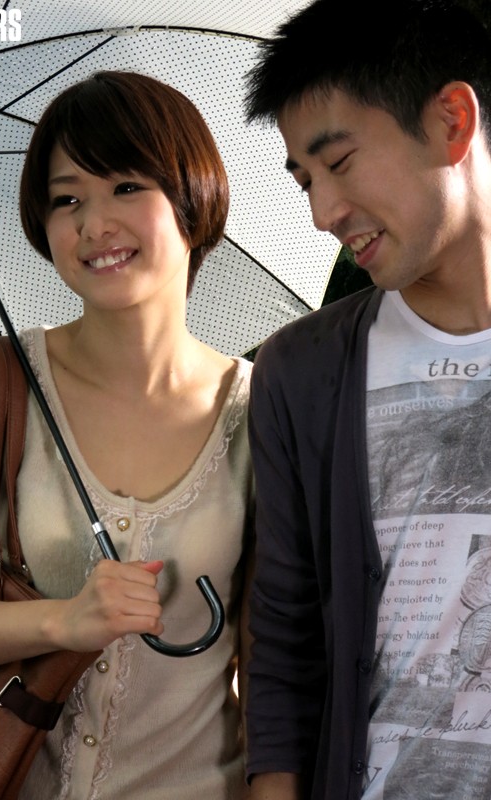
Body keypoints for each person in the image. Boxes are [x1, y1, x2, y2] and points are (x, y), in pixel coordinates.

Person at [0, 71, 253, 799]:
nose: (93, 225)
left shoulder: (261, 409)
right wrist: (63, 620)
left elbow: (276, 656)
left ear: (193, 199)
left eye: (125, 187)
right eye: (67, 199)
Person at [242, 1, 491, 798]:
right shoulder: (300, 371)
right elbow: (284, 638)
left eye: (340, 163)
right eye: (305, 182)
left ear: (451, 122)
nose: (322, 214)